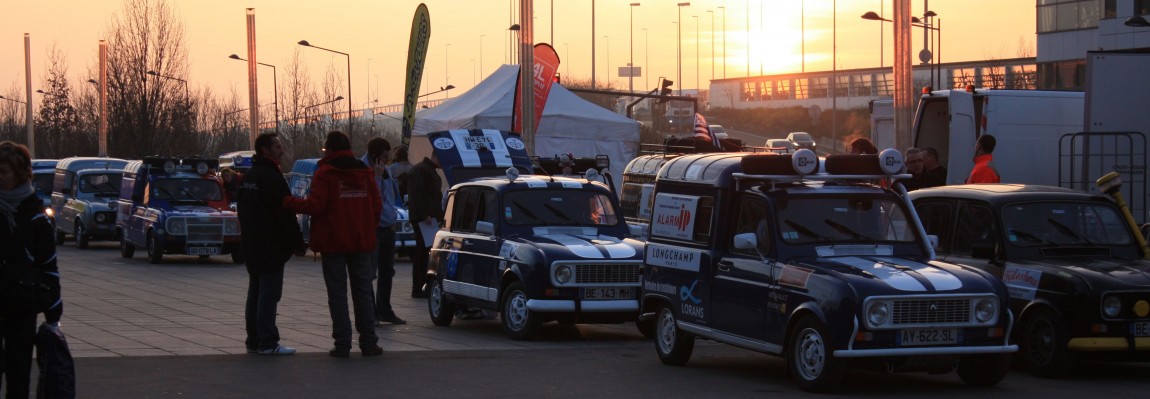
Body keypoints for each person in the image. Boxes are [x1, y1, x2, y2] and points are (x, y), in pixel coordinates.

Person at [284, 131, 384, 358]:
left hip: (334, 243)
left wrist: (289, 202)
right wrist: (366, 228)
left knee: (337, 293)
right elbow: (376, 205)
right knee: (363, 292)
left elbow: (316, 205)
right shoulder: (365, 172)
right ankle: (369, 342)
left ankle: (342, 344)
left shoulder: (326, 173)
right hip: (361, 242)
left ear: (329, 149)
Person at [0, 141, 63, 398]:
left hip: (21, 306)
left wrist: (53, 311)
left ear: (20, 174)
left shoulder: (36, 217)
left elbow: (48, 266)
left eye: (3, 172)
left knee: (19, 375)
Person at [236, 133, 304, 355]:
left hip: (252, 243)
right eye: (277, 146)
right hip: (271, 244)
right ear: (265, 150)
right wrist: (297, 242)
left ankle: (254, 339)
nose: (281, 150)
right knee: (269, 293)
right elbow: (285, 212)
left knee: (255, 292)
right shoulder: (271, 177)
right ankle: (267, 341)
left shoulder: (249, 177)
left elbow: (244, 211)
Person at [361, 138, 406, 326]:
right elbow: (371, 197)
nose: (388, 161)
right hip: (373, 227)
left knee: (387, 270)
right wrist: (376, 177)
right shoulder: (362, 170)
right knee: (369, 272)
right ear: (375, 156)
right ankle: (371, 313)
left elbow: (390, 197)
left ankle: (384, 310)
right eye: (385, 157)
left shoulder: (386, 171)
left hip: (388, 226)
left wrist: (393, 217)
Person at [406, 150, 442, 298]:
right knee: (422, 254)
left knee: (424, 254)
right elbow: (417, 194)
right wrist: (424, 215)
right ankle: (419, 287)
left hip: (427, 219)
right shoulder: (422, 171)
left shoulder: (425, 170)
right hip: (424, 220)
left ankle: (421, 286)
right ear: (436, 157)